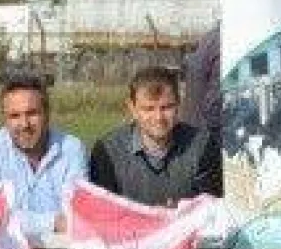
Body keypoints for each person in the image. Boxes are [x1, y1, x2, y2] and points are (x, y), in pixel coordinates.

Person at [0, 73, 85, 241]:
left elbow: (76, 215)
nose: (24, 124)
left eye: (32, 113)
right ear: (4, 119)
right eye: (14, 116)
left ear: (47, 113)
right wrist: (53, 222)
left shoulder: (71, 148)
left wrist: (18, 219)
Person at [89, 66, 219, 207]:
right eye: (148, 109)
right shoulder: (107, 152)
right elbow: (102, 212)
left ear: (178, 104)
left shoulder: (203, 146)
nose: (158, 117)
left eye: (166, 107)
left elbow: (210, 209)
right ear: (132, 108)